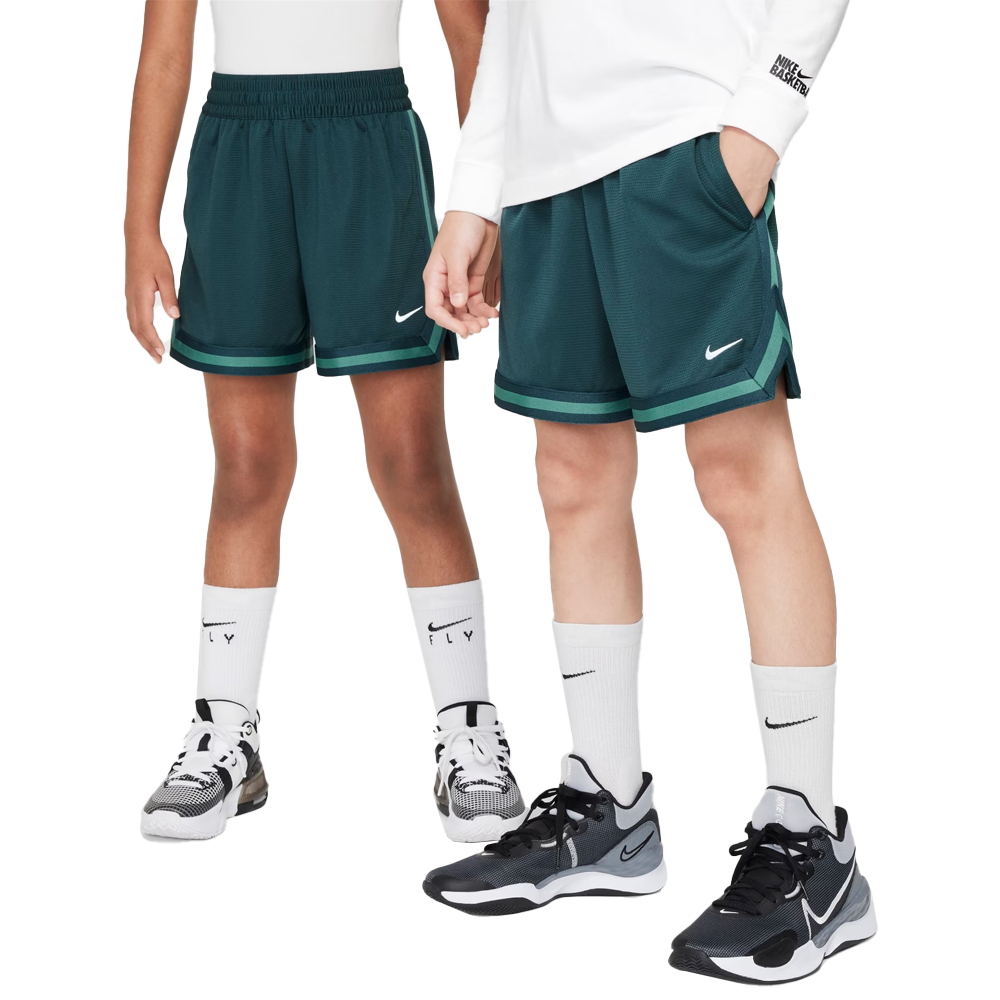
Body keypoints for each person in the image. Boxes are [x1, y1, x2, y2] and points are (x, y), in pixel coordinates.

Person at [420, 0, 876, 984]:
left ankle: (810, 839)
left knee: (740, 473)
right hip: (545, 172)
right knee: (571, 479)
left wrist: (764, 119)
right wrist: (476, 190)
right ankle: (607, 807)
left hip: (686, 142)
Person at [125, 0, 525, 844]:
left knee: (412, 461)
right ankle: (223, 730)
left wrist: (493, 210)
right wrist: (138, 223)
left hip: (369, 144)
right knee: (246, 466)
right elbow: (165, 50)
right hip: (239, 149)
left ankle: (469, 731)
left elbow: (471, 34)